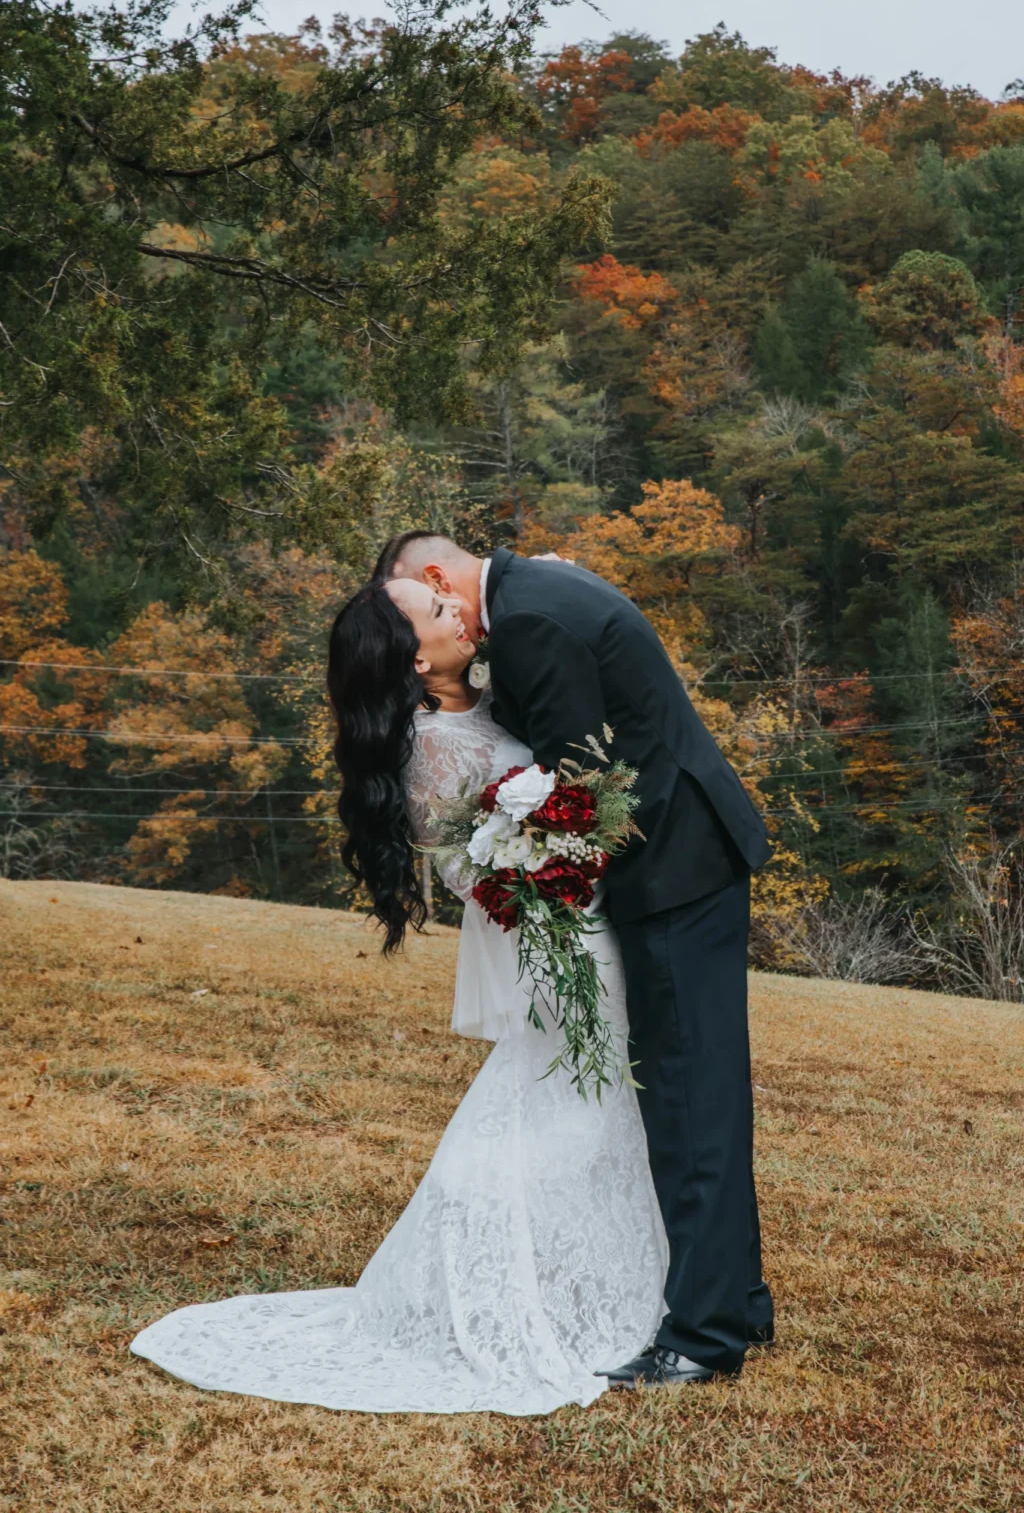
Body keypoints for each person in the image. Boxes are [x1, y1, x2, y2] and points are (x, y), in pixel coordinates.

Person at [129, 577, 668, 1415]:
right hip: (561, 935)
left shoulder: (491, 698)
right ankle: (536, 1289)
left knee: (583, 1104)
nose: (461, 610)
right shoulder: (431, 747)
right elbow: (469, 863)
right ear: (417, 656)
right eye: (438, 609)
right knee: (572, 1101)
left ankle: (605, 1272)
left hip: (583, 915)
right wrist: (545, 846)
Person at [371, 533, 775, 1387]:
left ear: (439, 579)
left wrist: (539, 849)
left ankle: (705, 1336)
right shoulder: (537, 589)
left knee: (688, 1099)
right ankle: (735, 1298)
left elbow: (576, 786)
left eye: (432, 605)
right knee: (700, 1092)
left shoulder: (527, 621)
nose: (447, 623)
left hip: (671, 867)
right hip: (681, 855)